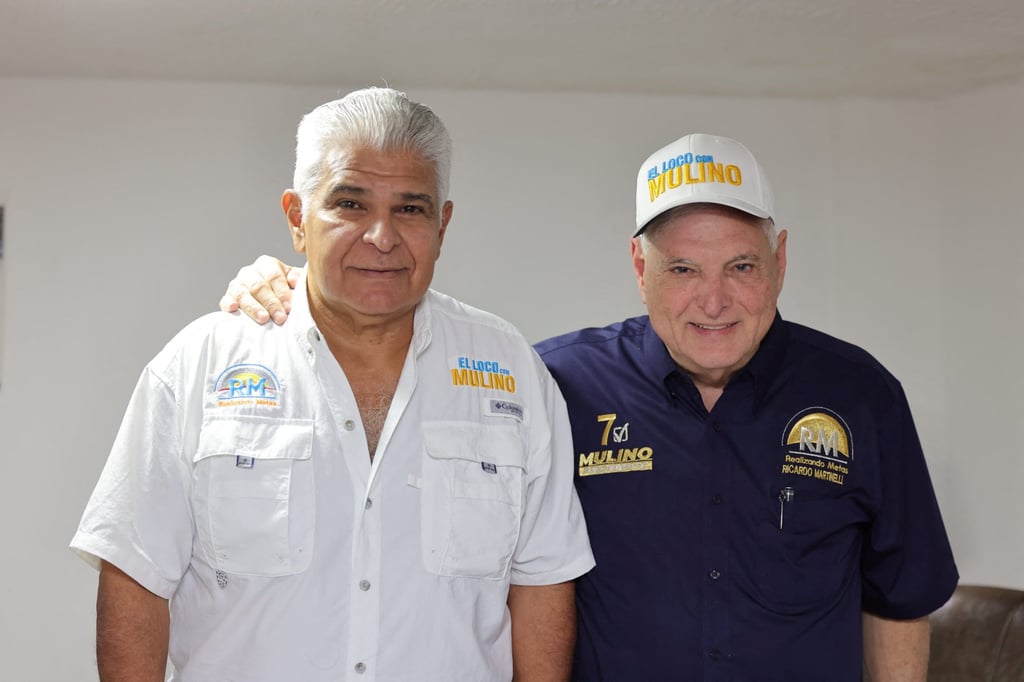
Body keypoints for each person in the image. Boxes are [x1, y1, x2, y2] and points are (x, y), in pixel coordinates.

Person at [220, 132, 958, 680]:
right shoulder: (550, 384)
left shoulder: (860, 395)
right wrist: (308, 285)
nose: (713, 300)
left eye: (742, 266)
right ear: (639, 268)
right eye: (681, 269)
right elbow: (406, 376)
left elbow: (900, 600)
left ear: (781, 261)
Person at [70, 87, 595, 682]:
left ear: (442, 225)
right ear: (297, 218)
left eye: (411, 208)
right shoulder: (200, 364)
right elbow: (135, 578)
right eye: (350, 203)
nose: (381, 236)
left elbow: (543, 582)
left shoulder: (511, 369)